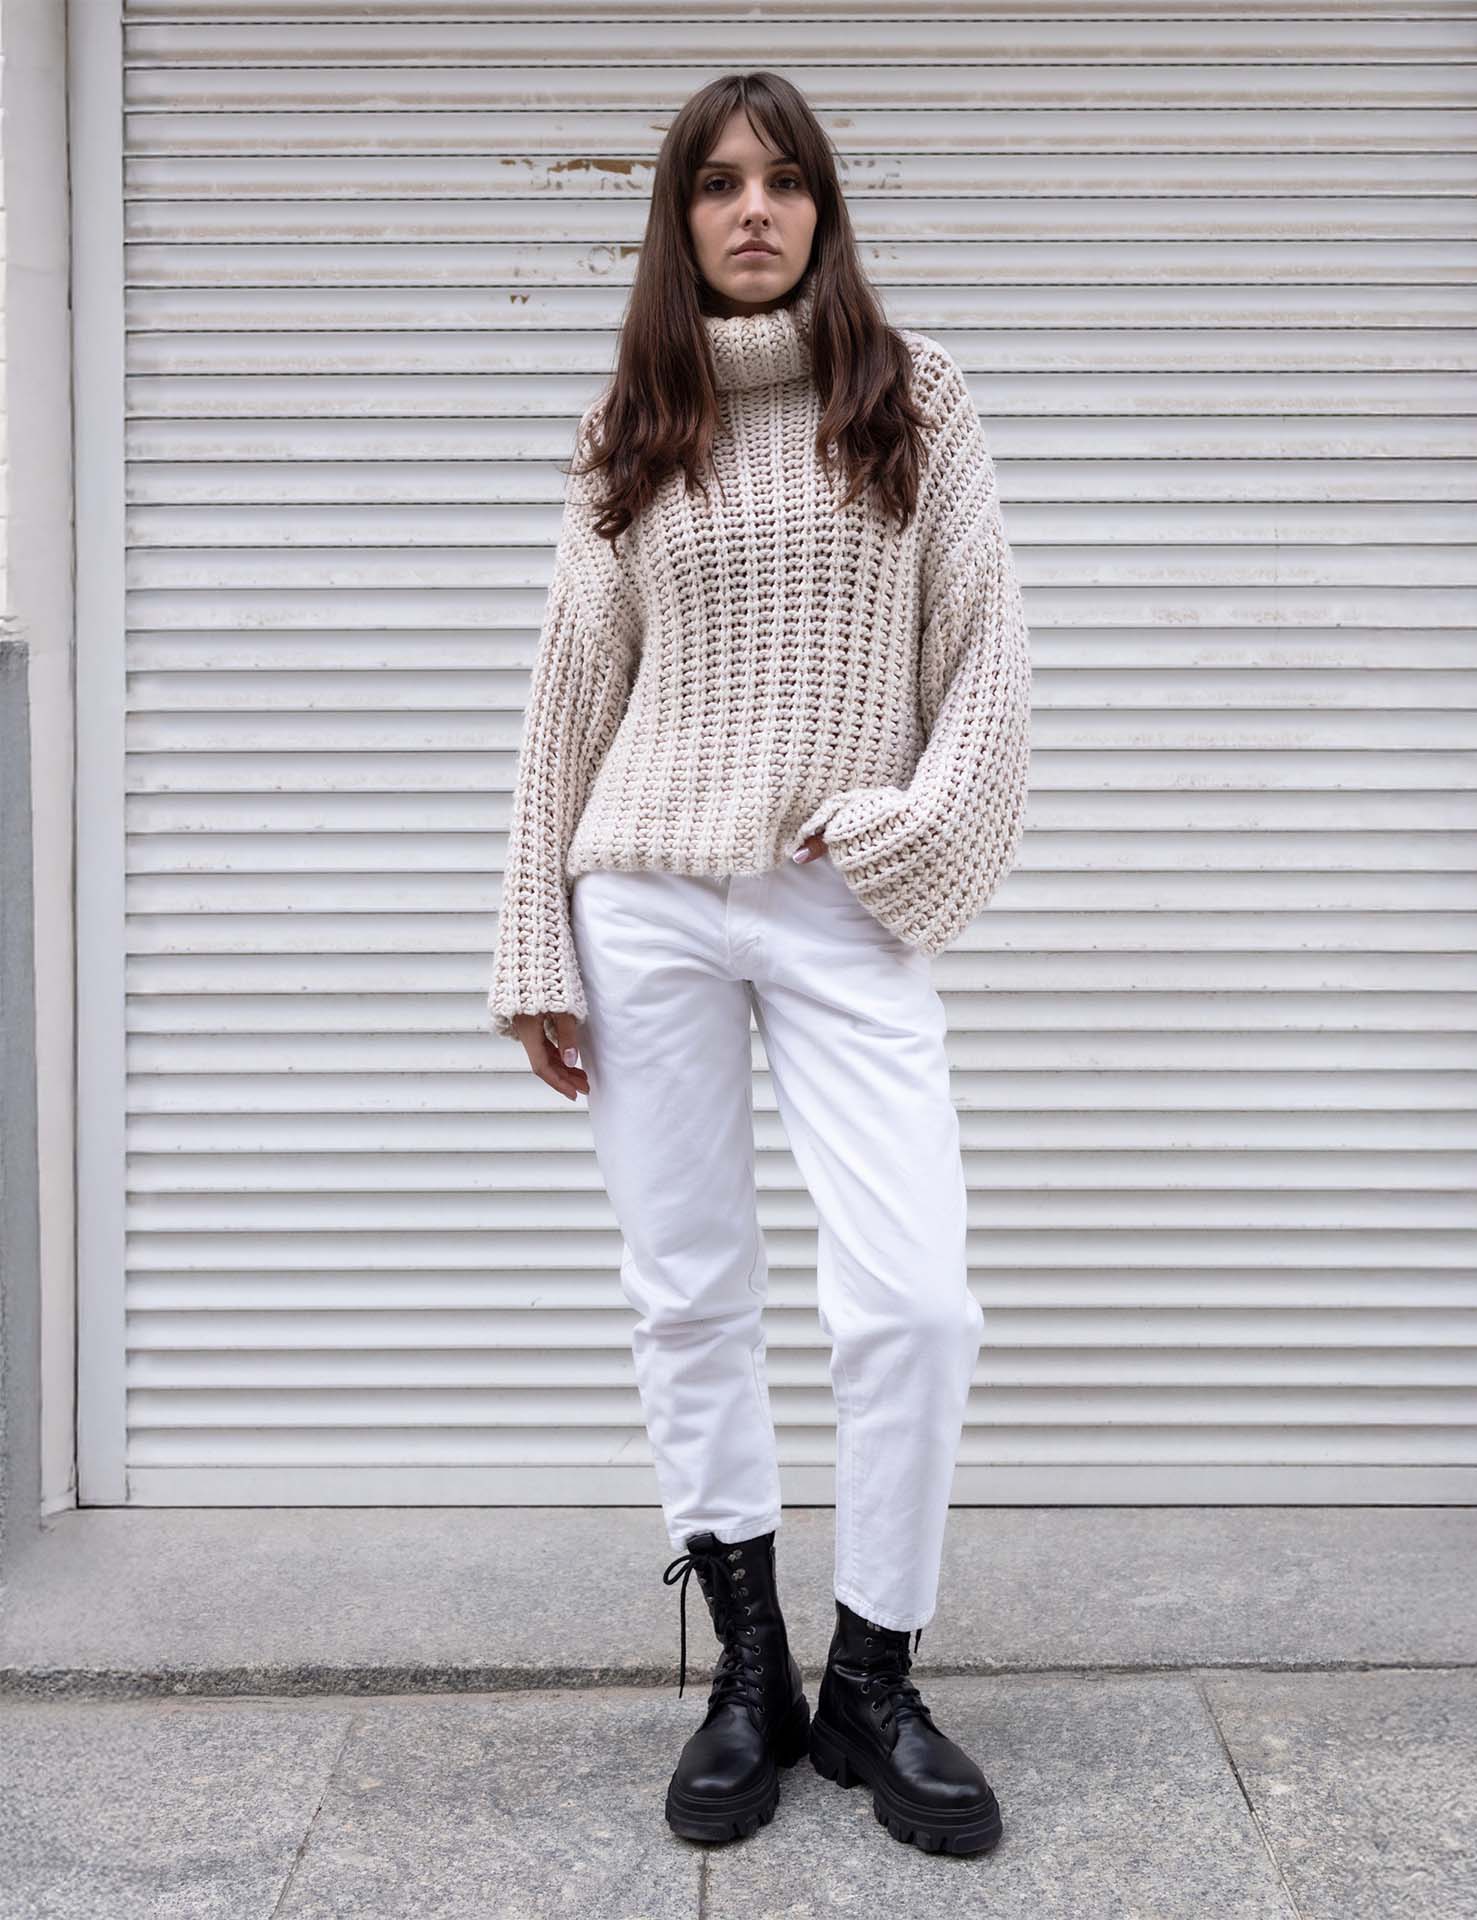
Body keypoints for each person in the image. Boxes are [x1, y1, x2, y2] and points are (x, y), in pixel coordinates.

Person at [488, 71, 1030, 1858]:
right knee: (688, 1292)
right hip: (641, 896)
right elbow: (572, 693)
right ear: (678, 216)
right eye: (718, 183)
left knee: (916, 1303)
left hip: (833, 904)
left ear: (823, 209)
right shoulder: (629, 423)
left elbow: (987, 671)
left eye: (784, 180)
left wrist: (896, 825)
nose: (752, 210)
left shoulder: (913, 400)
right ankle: (750, 1671)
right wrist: (529, 946)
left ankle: (878, 1677)